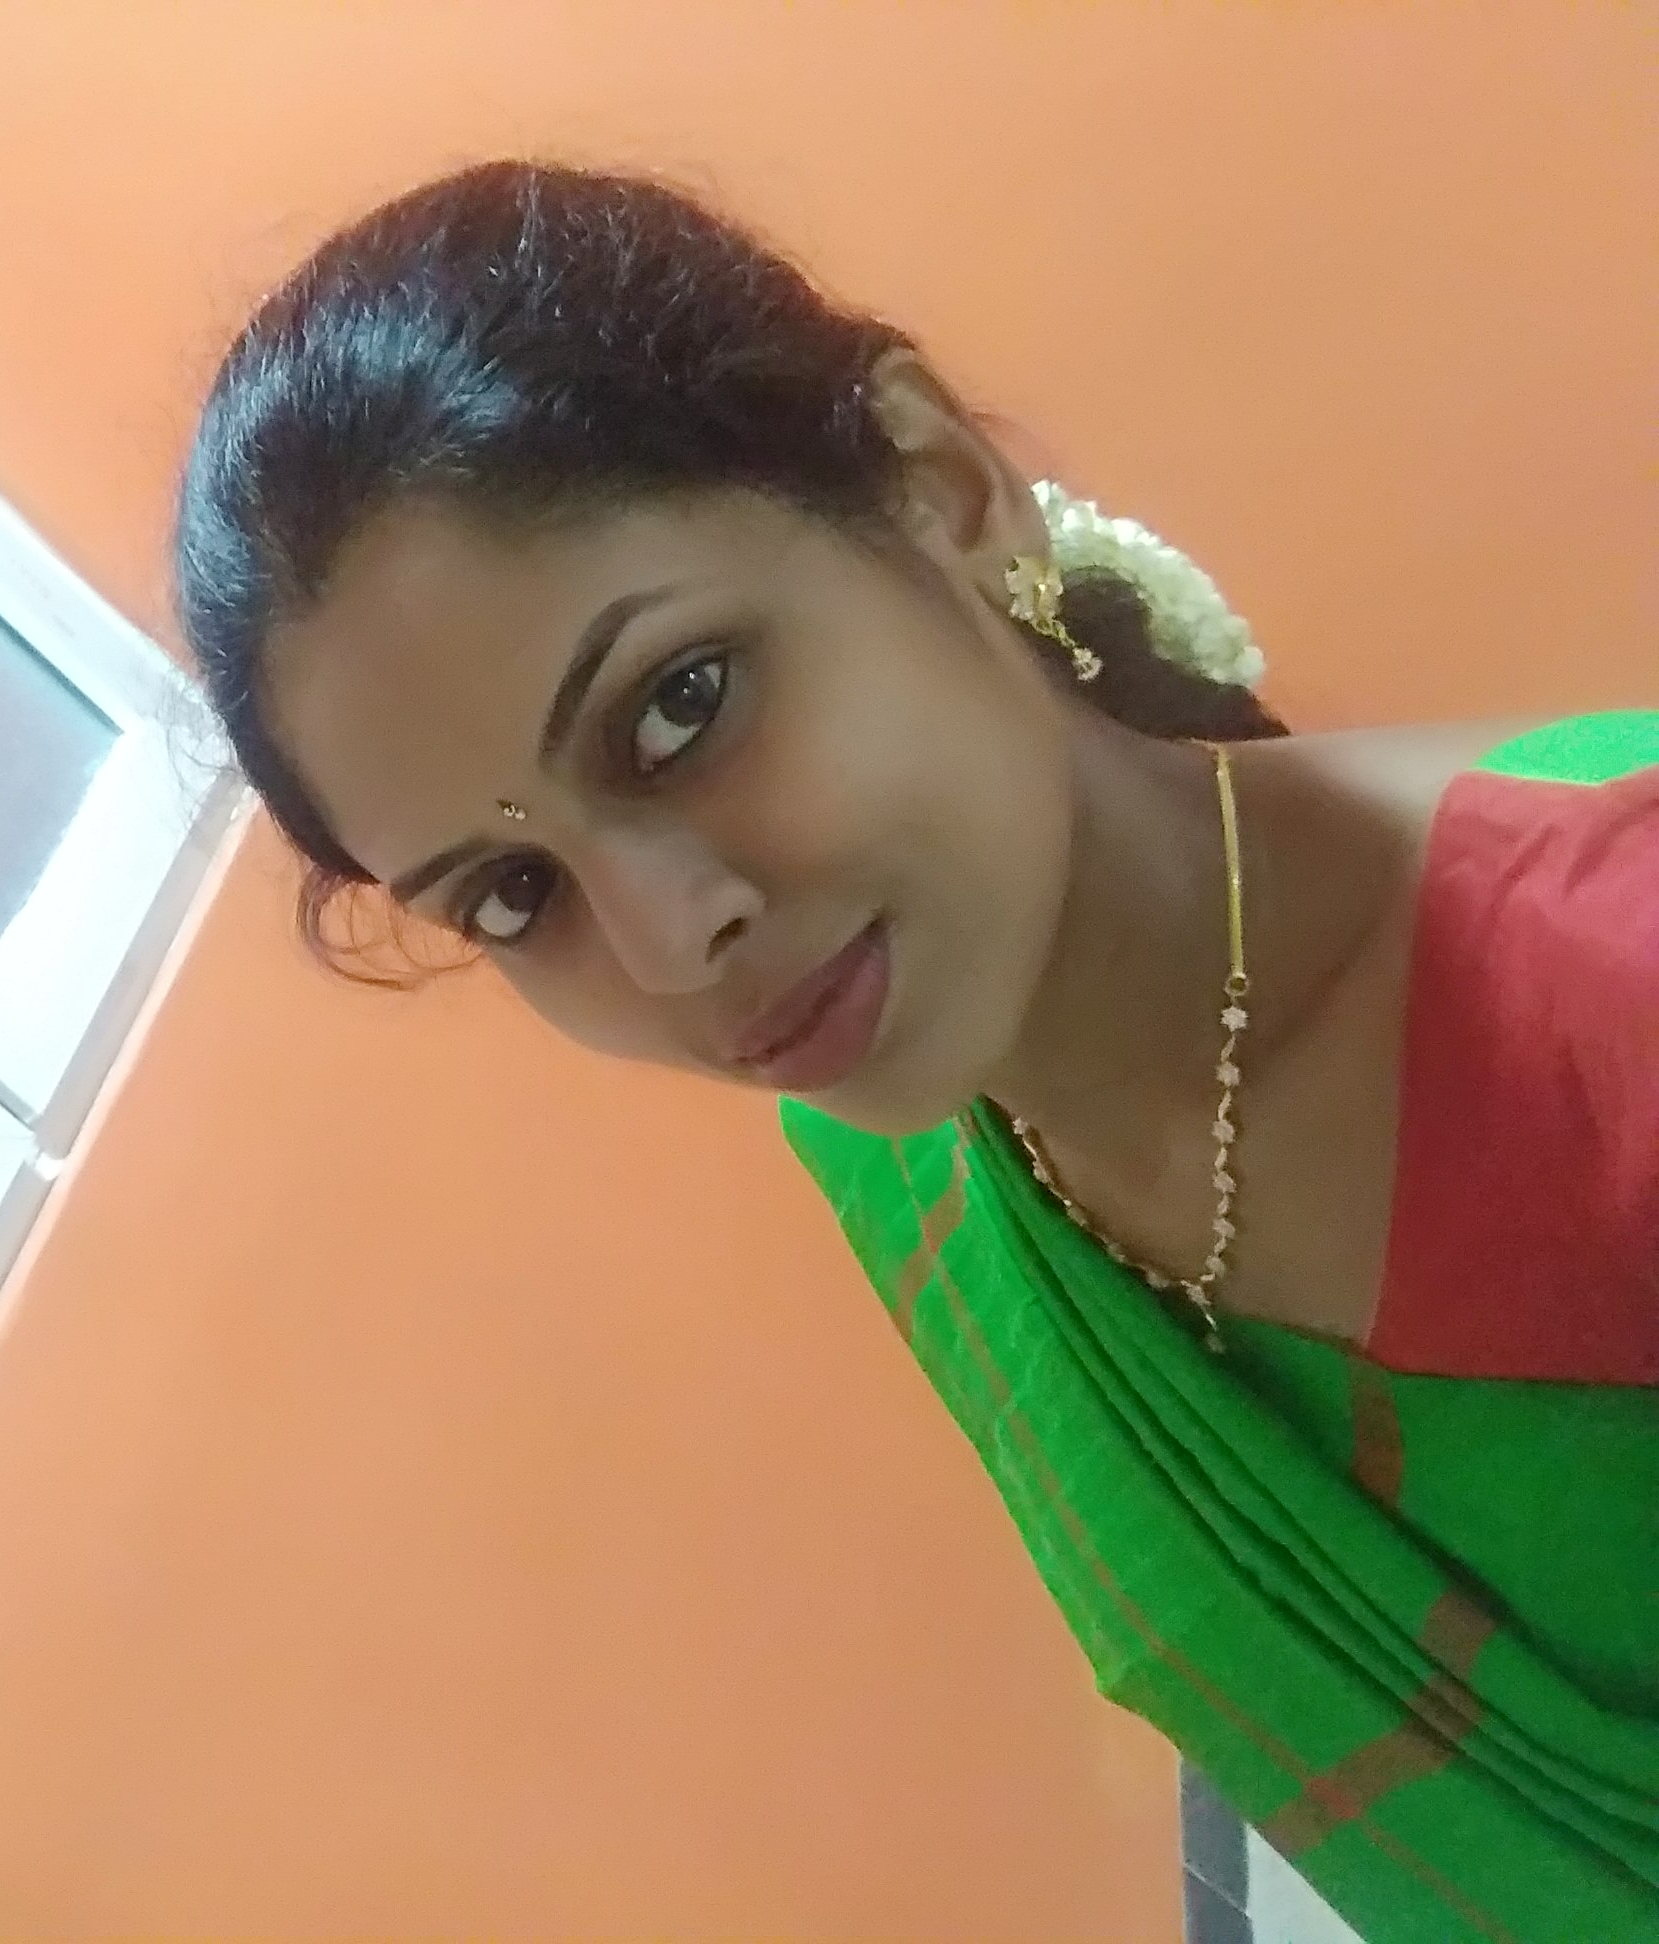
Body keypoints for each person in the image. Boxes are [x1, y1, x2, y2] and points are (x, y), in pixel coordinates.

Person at [171, 162, 1657, 1936]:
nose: (672, 942)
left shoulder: (1610, 984)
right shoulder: (909, 1159)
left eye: (680, 706)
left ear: (942, 487)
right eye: (513, 894)